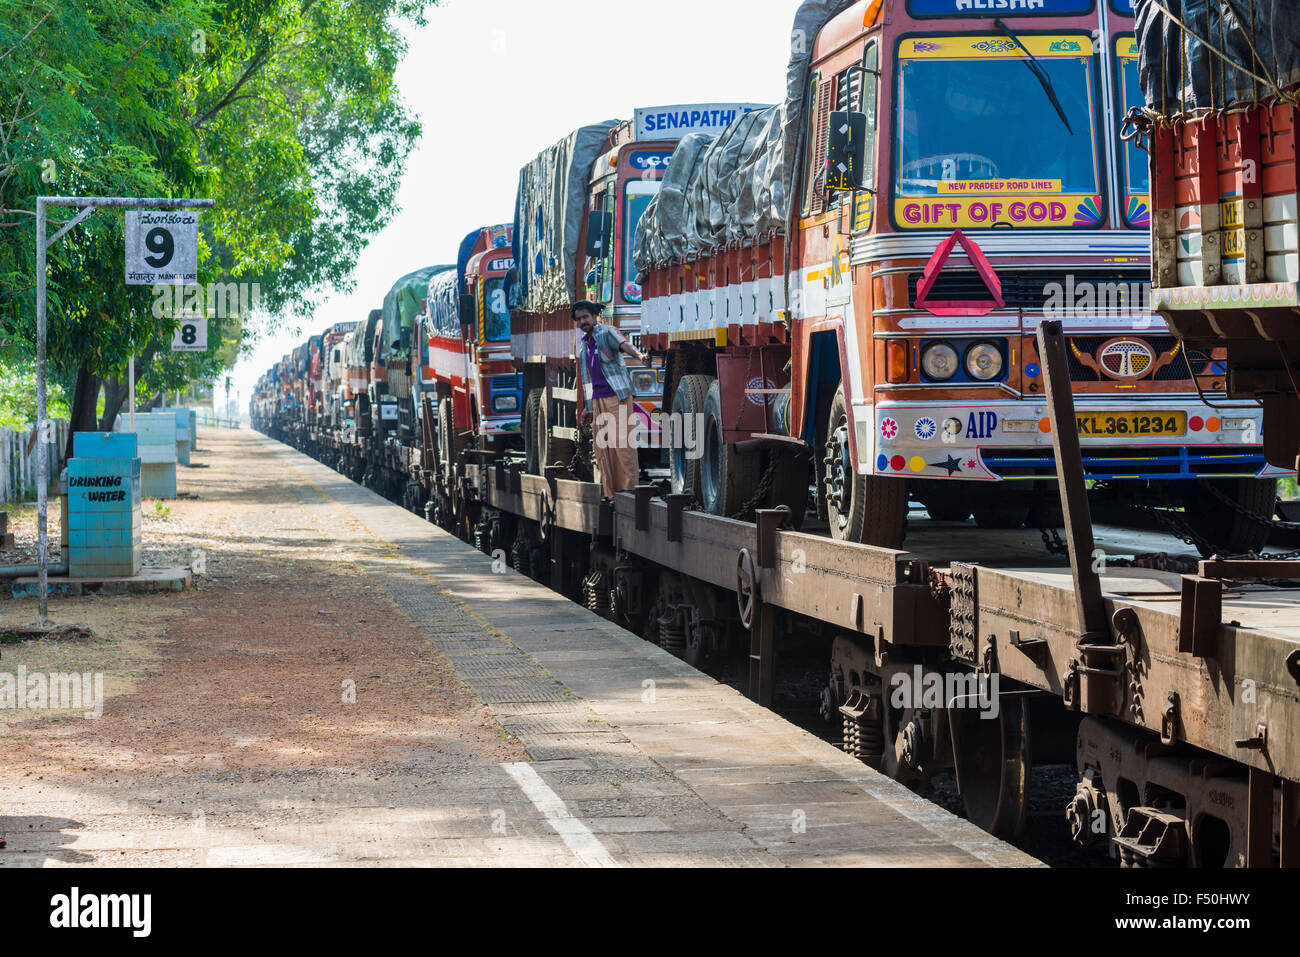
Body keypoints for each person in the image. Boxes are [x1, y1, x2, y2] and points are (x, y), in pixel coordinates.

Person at [573, 300, 644, 498]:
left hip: (616, 396)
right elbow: (587, 381)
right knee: (602, 447)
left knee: (623, 443)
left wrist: (639, 355)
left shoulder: (607, 332)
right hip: (597, 401)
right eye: (579, 319)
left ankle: (628, 490)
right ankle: (610, 493)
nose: (583, 321)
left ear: (595, 316)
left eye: (585, 317)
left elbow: (624, 344)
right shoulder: (583, 346)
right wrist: (588, 407)